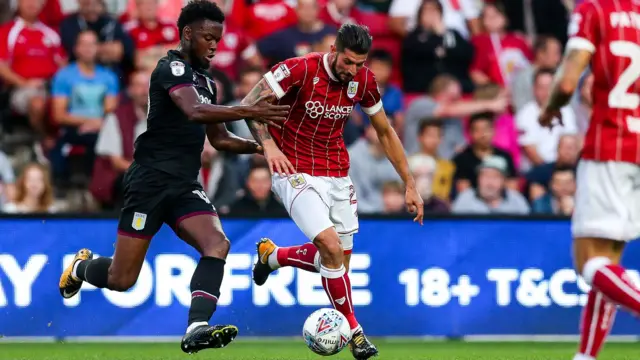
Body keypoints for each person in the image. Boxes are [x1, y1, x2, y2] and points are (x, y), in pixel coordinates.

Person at [58, 0, 290, 354]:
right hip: (149, 182)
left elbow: (220, 138)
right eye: (208, 38)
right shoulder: (171, 69)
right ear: (187, 33)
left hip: (184, 185)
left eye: (219, 39)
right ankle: (81, 267)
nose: (215, 45)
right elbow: (192, 111)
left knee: (218, 244)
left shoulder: (208, 83)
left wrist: (262, 149)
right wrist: (248, 108)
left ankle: (197, 327)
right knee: (122, 280)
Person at [243, 23, 424, 359]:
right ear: (333, 50)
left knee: (336, 262)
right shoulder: (300, 69)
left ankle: (274, 256)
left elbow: (384, 132)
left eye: (360, 63)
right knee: (329, 245)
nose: (353, 70)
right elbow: (250, 103)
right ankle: (356, 333)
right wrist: (268, 146)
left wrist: (409, 183)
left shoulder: (364, 82)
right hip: (293, 169)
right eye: (348, 62)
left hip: (337, 174)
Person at [538, 1, 640, 359]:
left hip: (610, 145)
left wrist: (549, 108)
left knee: (588, 264)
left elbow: (567, 81)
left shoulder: (594, 9)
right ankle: (586, 357)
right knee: (608, 262)